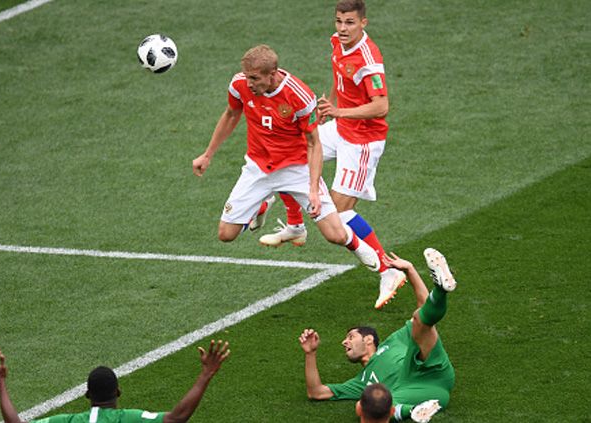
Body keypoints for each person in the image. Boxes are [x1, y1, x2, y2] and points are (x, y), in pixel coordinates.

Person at [252, 0, 405, 309]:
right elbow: (340, 79)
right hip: (342, 126)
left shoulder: (368, 59)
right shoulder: (337, 42)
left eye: (349, 23)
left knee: (337, 211)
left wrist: (339, 110)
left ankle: (388, 271)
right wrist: (327, 109)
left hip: (363, 141)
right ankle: (291, 222)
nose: (342, 28)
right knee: (291, 146)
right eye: (339, 21)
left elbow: (381, 106)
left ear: (364, 23)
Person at [192, 44, 380, 273]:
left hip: (296, 169)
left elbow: (314, 143)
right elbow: (231, 114)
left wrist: (313, 189)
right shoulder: (239, 84)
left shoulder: (299, 96)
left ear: (272, 75)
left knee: (335, 235)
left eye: (255, 78)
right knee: (225, 234)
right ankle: (260, 205)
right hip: (258, 168)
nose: (250, 83)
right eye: (247, 76)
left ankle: (358, 246)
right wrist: (208, 154)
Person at [299, 248, 458, 422]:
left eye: (351, 336)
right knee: (368, 406)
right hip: (430, 395)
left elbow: (422, 305)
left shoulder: (393, 341)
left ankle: (441, 290)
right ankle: (414, 411)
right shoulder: (362, 381)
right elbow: (316, 392)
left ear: (368, 339)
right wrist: (310, 353)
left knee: (420, 320)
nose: (345, 342)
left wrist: (410, 270)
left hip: (431, 369)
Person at [0, 339, 230, 423]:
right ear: (118, 392)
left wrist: (1, 382)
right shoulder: (129, 419)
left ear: (87, 395)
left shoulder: (71, 421)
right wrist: (205, 374)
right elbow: (177, 417)